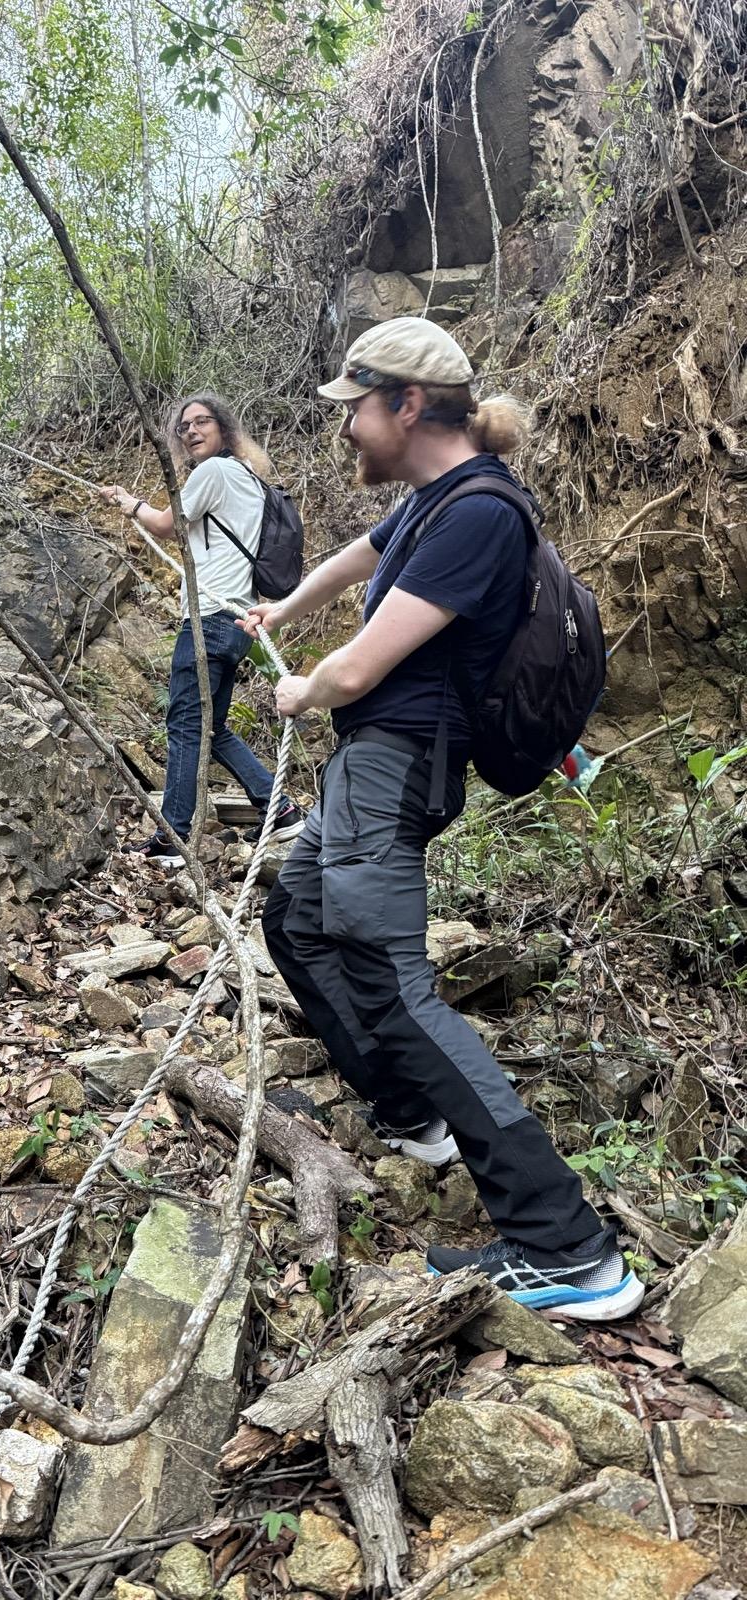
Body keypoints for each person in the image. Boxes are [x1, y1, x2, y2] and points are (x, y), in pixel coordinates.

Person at [240, 317, 643, 1320]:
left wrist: (302, 688)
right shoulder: (431, 504)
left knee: (392, 983)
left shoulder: (482, 515)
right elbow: (347, 564)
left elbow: (364, 663)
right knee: (292, 917)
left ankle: (568, 1247)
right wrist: (280, 615)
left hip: (400, 766)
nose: (346, 431)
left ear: (407, 407)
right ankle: (414, 1110)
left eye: (355, 411)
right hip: (366, 764)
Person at [101, 393, 303, 866]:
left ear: (224, 429)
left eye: (202, 422)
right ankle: (281, 809)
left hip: (210, 619)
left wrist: (129, 502)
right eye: (184, 426)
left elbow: (167, 524)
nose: (191, 431)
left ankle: (173, 839)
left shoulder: (213, 473)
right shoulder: (248, 476)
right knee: (210, 729)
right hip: (238, 622)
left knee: (186, 725)